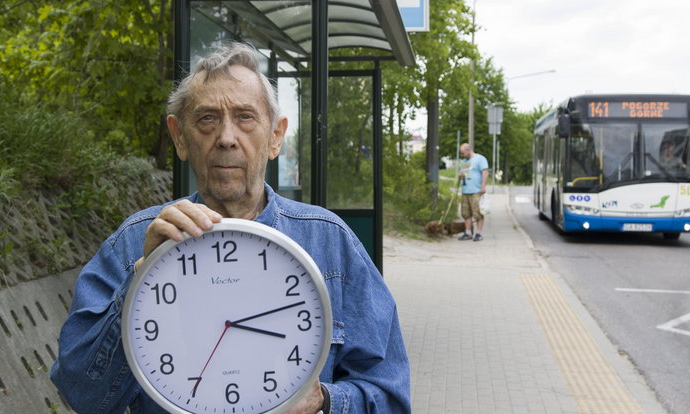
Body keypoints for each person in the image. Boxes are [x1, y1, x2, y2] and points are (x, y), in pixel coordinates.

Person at [50, 42, 411, 414]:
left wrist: (326, 401)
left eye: (244, 117)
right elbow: (82, 396)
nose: (225, 137)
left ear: (275, 136)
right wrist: (138, 285)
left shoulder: (330, 242)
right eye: (207, 118)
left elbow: (391, 397)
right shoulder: (134, 245)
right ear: (179, 136)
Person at [457, 143, 489, 241]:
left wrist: (483, 186)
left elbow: (485, 172)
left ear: (468, 150)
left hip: (476, 190)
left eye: (463, 153)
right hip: (465, 190)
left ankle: (478, 233)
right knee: (466, 213)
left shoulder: (480, 159)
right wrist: (460, 175)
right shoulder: (464, 162)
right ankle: (468, 232)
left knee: (477, 213)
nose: (462, 155)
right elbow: (463, 172)